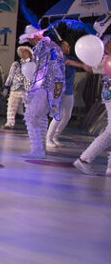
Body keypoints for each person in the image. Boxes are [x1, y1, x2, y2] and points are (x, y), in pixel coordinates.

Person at [20, 25, 64, 159]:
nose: (30, 42)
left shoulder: (42, 47)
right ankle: (41, 148)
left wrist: (31, 90)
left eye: (30, 39)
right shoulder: (53, 45)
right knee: (42, 117)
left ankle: (37, 149)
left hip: (45, 87)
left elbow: (40, 70)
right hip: (56, 88)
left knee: (30, 115)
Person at [74, 37, 111, 176]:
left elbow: (90, 67)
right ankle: (84, 160)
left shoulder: (104, 60)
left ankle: (109, 167)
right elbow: (89, 67)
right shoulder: (105, 60)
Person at [45, 40, 87, 148]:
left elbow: (78, 61)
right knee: (58, 115)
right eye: (67, 45)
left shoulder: (71, 58)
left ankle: (55, 136)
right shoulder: (57, 58)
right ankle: (48, 138)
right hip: (58, 91)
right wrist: (82, 65)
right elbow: (67, 62)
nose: (69, 47)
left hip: (68, 91)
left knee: (67, 115)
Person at [3, 45, 33, 128]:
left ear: (29, 53)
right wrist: (6, 87)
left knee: (30, 108)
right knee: (11, 106)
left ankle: (30, 125)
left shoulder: (33, 64)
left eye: (25, 51)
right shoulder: (16, 64)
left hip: (28, 89)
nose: (23, 53)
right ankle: (10, 123)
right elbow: (10, 76)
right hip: (15, 88)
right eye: (22, 51)